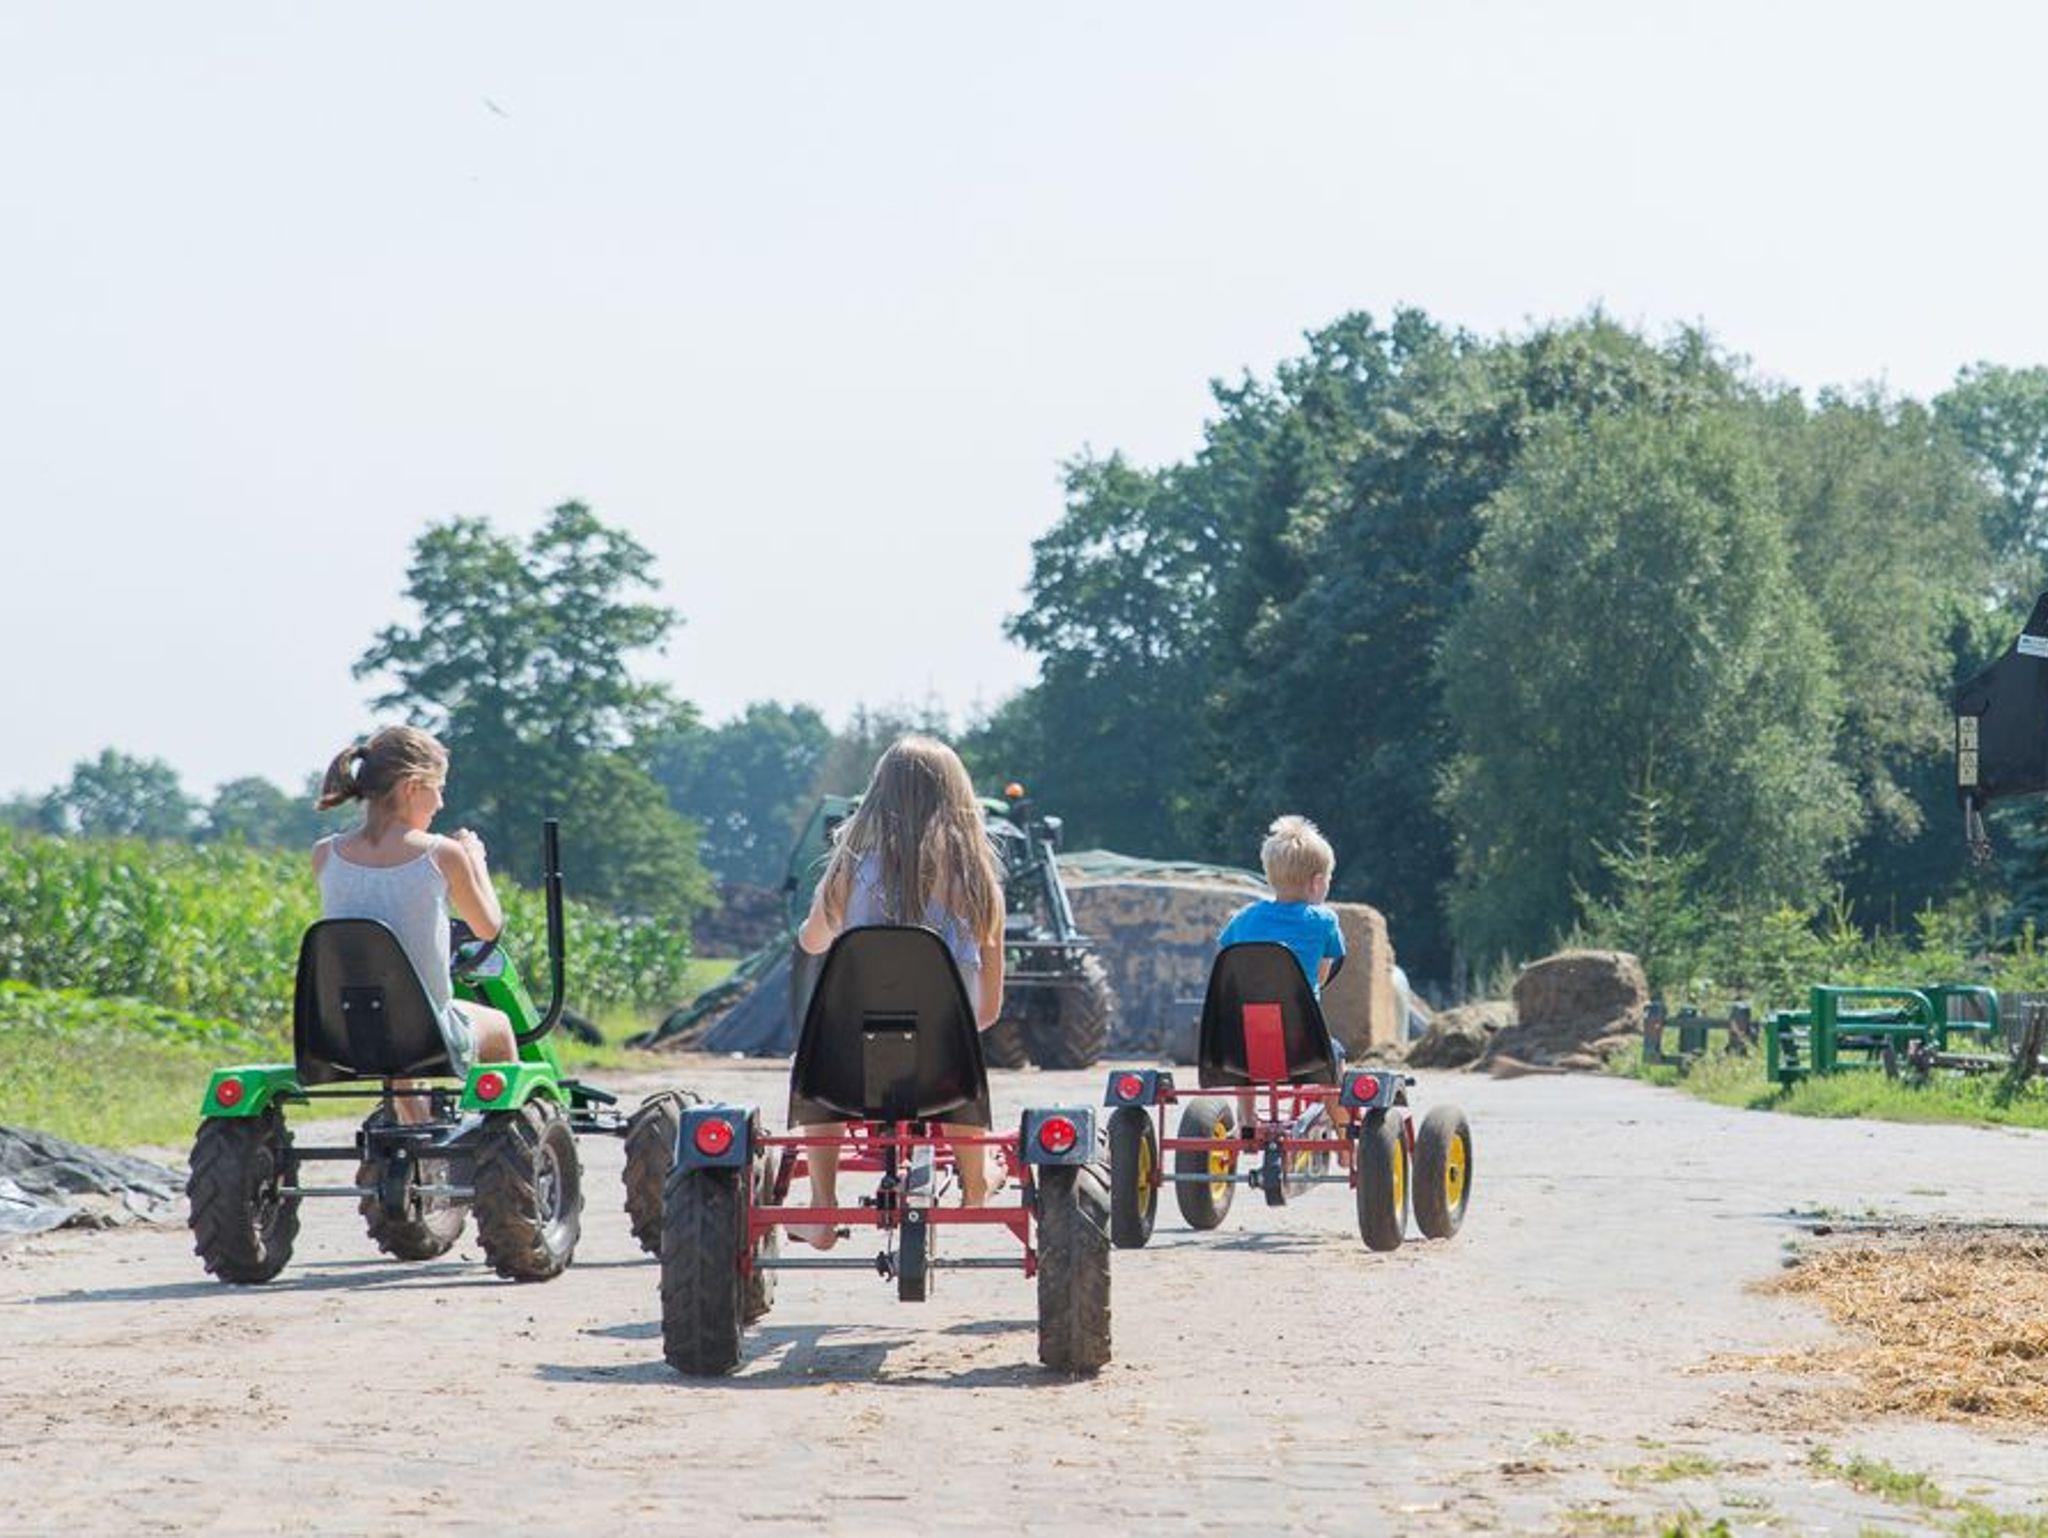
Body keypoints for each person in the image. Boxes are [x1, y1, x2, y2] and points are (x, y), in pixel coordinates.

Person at [787, 735, 1006, 1247]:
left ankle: (823, 1208)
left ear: (878, 794)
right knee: (964, 1055)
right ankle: (976, 1185)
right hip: (944, 1076)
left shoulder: (847, 870)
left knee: (812, 1057)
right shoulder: (979, 883)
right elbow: (989, 1010)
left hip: (847, 1071)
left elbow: (812, 942)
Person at [311, 727, 518, 1123]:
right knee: (500, 1027)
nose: (440, 803)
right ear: (411, 787)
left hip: (345, 1030)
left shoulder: (324, 855)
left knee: (392, 1026)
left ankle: (419, 1127)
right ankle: (501, 1139)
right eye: (438, 789)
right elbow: (489, 927)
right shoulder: (442, 854)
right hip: (425, 1031)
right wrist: (476, 861)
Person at [1216, 814, 1348, 1146]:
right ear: (1317, 883)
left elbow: (1227, 959)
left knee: (1246, 1044)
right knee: (1334, 1056)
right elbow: (1322, 975)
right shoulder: (1324, 921)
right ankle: (1345, 1132)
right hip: (1302, 1044)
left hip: (1242, 1043)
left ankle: (1247, 1120)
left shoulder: (1244, 918)